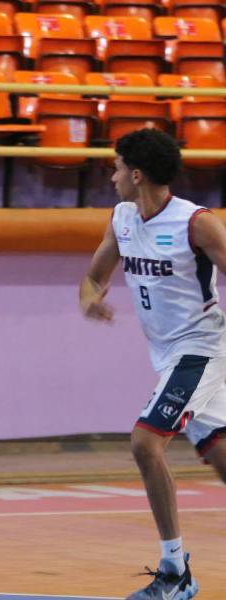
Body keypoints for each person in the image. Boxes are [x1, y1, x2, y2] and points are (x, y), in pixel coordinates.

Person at [80, 128, 226, 600]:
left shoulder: (195, 223)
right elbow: (93, 276)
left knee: (146, 442)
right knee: (222, 456)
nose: (112, 175)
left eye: (118, 167)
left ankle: (174, 572)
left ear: (137, 174)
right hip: (170, 358)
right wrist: (90, 300)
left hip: (203, 350)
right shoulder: (123, 218)